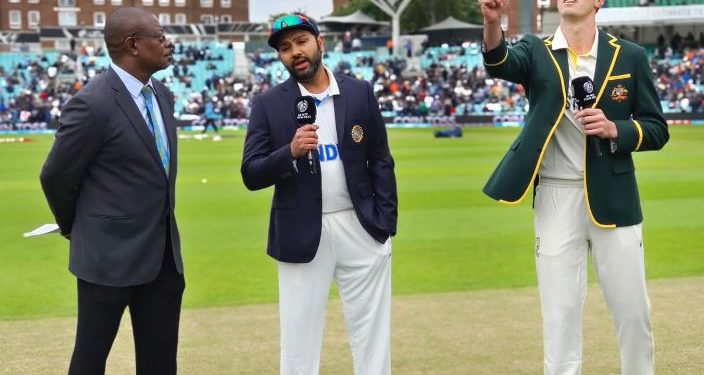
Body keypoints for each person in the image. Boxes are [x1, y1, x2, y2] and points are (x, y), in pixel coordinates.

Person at [478, 1, 669, 374]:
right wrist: (492, 23)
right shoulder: (536, 50)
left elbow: (656, 127)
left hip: (615, 198)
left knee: (633, 311)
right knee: (560, 314)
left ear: (599, 2)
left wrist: (618, 129)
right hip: (554, 194)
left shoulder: (630, 55)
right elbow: (498, 62)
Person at [241, 13, 397, 375]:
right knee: (298, 339)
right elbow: (251, 173)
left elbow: (381, 160)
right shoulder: (268, 105)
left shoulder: (359, 92)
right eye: (285, 48)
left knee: (372, 335)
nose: (295, 52)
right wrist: (289, 152)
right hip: (300, 231)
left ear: (320, 42)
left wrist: (385, 223)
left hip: (361, 227)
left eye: (301, 42)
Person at [39, 7, 184, 375]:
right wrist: (75, 226)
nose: (168, 43)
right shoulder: (93, 103)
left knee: (160, 362)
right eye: (160, 36)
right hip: (106, 260)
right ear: (134, 45)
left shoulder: (163, 95)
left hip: (163, 259)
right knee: (90, 359)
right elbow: (55, 175)